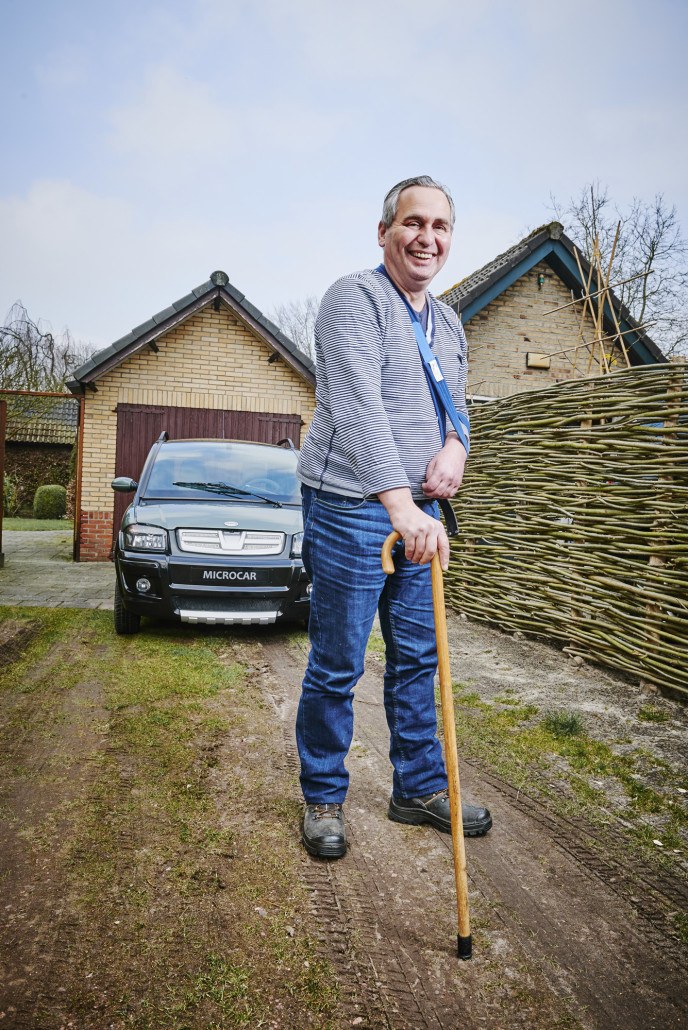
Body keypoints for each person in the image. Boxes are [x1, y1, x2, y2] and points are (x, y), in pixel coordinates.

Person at [296, 175, 492, 859]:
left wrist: (456, 448)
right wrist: (402, 506)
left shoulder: (450, 320)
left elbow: (460, 404)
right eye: (413, 223)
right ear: (385, 231)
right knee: (339, 662)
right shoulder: (353, 299)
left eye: (440, 227)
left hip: (422, 514)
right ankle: (323, 793)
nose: (426, 239)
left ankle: (417, 788)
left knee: (418, 659)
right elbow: (357, 412)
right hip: (351, 507)